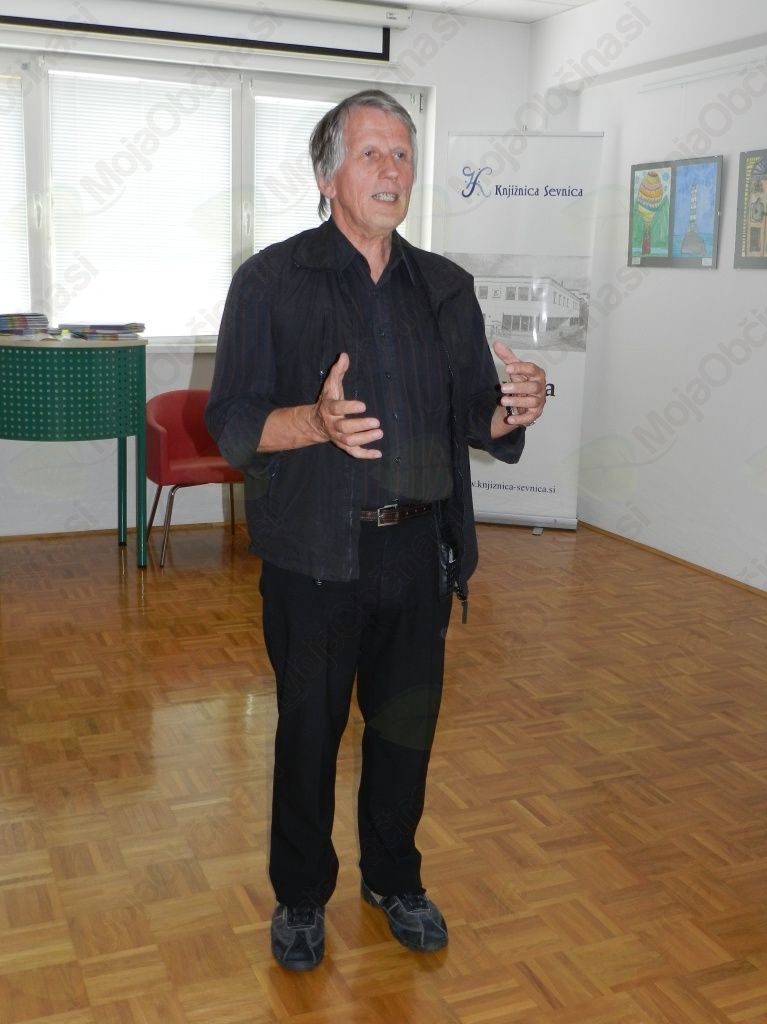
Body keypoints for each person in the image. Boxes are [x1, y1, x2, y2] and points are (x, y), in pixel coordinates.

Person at [205, 89, 546, 972]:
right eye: (371, 153)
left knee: (404, 731)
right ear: (328, 176)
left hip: (419, 552)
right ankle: (300, 895)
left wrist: (513, 409)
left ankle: (394, 878)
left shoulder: (446, 287)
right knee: (308, 734)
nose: (392, 169)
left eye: (402, 153)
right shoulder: (270, 282)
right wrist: (314, 423)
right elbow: (232, 422)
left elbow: (473, 413)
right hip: (315, 554)